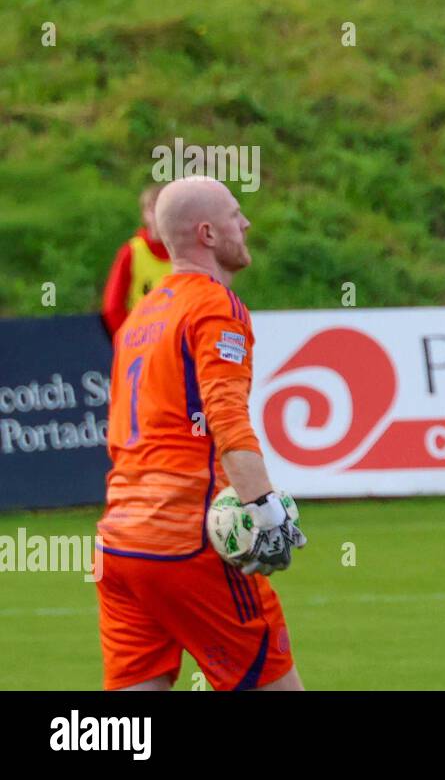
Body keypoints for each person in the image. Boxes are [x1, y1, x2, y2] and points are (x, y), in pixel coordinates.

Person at [96, 176, 306, 691]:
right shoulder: (213, 305)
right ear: (209, 234)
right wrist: (265, 511)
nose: (247, 223)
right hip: (187, 541)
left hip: (121, 543)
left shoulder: (140, 316)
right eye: (237, 214)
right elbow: (228, 421)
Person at [101, 184, 172, 338]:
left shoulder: (188, 251)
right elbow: (113, 306)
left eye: (166, 209)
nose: (160, 216)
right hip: (141, 337)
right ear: (145, 214)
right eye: (154, 210)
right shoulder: (131, 252)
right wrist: (128, 339)